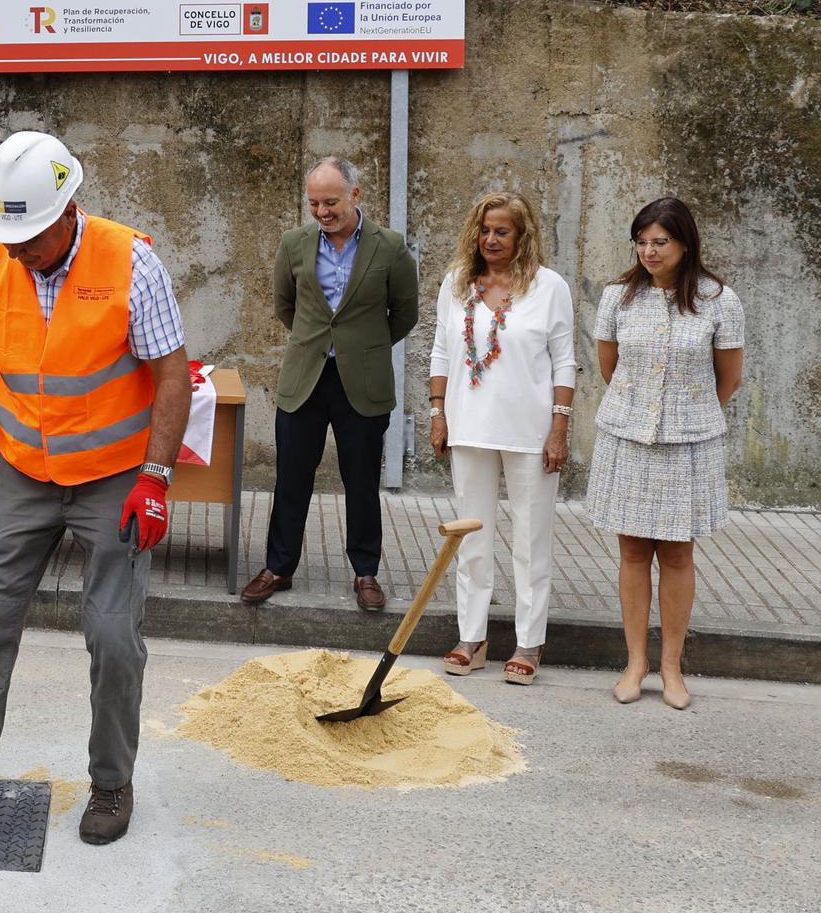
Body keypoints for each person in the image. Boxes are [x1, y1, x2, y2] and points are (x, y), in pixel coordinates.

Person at [0, 131, 190, 860]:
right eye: (8, 236)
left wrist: (156, 477)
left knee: (111, 635)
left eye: (30, 237)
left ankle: (111, 781)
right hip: (23, 474)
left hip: (114, 480)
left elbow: (170, 371)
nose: (17, 251)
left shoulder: (132, 262)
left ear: (68, 209)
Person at [588, 197, 744, 711]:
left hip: (690, 443)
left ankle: (672, 667)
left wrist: (686, 412)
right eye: (642, 242)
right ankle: (635, 663)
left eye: (661, 242)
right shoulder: (618, 297)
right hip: (627, 438)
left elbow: (729, 377)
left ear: (684, 244)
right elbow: (611, 369)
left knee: (677, 553)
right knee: (632, 551)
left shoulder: (719, 300)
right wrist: (641, 410)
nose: (650, 251)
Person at [243, 158, 418, 611]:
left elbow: (404, 313)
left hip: (362, 382)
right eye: (314, 203)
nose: (321, 212)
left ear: (355, 196)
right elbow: (286, 305)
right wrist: (317, 343)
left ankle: (366, 572)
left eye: (331, 202)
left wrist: (363, 348)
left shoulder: (391, 247)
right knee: (291, 478)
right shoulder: (294, 244)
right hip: (305, 378)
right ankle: (278, 567)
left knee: (360, 481)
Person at [427, 192, 576, 685]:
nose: (491, 239)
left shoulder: (548, 287)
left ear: (522, 235)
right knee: (471, 536)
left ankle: (529, 643)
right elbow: (442, 353)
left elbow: (564, 360)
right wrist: (437, 414)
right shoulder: (457, 284)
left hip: (531, 433)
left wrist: (560, 425)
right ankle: (472, 637)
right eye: (485, 230)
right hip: (468, 428)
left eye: (503, 231)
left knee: (531, 540)